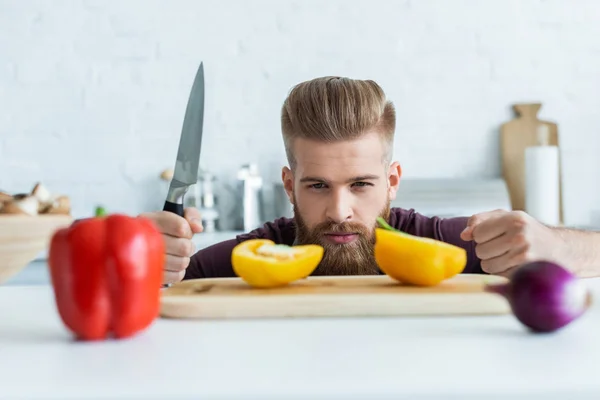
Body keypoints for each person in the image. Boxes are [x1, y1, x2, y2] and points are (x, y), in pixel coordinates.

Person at [141, 76, 600, 285]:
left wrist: (558, 246)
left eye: (361, 184)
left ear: (392, 180)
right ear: (288, 184)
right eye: (317, 185)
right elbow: (155, 293)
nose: (340, 211)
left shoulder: (445, 243)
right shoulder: (239, 263)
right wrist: (144, 261)